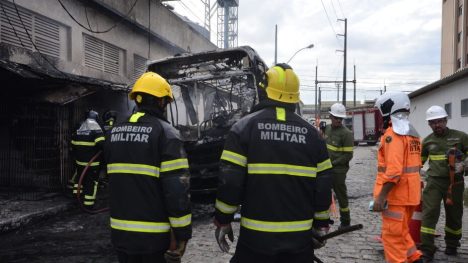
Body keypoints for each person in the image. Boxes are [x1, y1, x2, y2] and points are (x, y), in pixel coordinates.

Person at [213, 63, 333, 262]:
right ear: (295, 96)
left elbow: (230, 182)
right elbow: (323, 185)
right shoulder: (314, 136)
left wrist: (223, 220)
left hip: (255, 241)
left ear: (265, 90)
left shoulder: (243, 129)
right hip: (299, 242)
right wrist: (321, 225)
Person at [104, 72, 192, 263]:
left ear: (137, 99)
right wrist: (182, 233)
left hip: (120, 235)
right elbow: (177, 190)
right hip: (155, 239)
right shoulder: (167, 134)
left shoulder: (113, 133)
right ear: (161, 102)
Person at [372, 91, 423, 263]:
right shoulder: (413, 134)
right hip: (410, 195)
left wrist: (381, 197)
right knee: (401, 233)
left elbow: (394, 172)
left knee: (392, 238)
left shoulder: (392, 136)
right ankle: (415, 258)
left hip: (396, 197)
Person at [420, 105, 468, 260]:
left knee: (454, 215)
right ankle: (427, 248)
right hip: (434, 182)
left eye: (440, 121)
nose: (437, 125)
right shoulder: (427, 141)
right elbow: (418, 163)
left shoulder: (461, 137)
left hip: (455, 183)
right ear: (429, 124)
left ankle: (452, 244)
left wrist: (465, 164)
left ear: (446, 120)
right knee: (429, 213)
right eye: (433, 122)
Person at [324, 103, 354, 228]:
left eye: (340, 118)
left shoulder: (346, 134)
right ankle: (323, 221)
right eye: (336, 118)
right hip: (326, 168)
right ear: (330, 116)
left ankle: (345, 221)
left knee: (341, 195)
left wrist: (333, 163)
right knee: (323, 194)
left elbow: (348, 155)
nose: (338, 120)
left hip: (339, 170)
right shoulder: (327, 129)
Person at [70, 110, 105, 208]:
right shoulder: (96, 127)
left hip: (79, 161)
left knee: (79, 180)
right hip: (91, 163)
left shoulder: (80, 126)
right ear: (96, 117)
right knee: (91, 182)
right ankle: (88, 204)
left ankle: (76, 198)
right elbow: (101, 144)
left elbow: (72, 144)